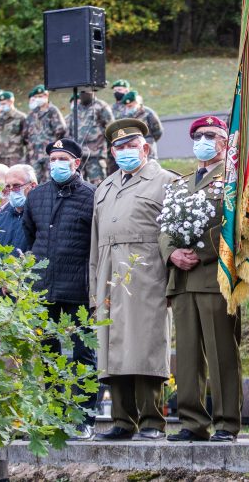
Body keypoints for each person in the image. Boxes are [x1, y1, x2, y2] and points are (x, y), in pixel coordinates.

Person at [90, 119, 178, 441]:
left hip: (147, 275)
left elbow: (175, 237)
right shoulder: (104, 187)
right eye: (119, 147)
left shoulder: (166, 181)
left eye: (131, 145)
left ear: (145, 147)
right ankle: (123, 421)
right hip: (108, 277)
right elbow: (94, 245)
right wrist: (93, 291)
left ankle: (153, 421)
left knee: (146, 346)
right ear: (112, 152)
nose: (125, 151)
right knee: (112, 349)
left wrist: (172, 284)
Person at [161, 116, 242, 443]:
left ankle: (226, 423)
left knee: (222, 353)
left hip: (213, 276)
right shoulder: (179, 184)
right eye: (198, 136)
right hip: (182, 280)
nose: (203, 141)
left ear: (225, 142)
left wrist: (202, 252)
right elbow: (164, 226)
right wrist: (172, 254)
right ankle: (192, 422)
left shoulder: (233, 181)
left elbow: (235, 226)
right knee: (189, 356)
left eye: (211, 135)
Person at [22, 137, 98, 440]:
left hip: (78, 288)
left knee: (83, 353)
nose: (56, 164)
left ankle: (84, 417)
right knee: (48, 354)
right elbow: (29, 238)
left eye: (63, 159)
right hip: (43, 289)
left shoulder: (92, 195)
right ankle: (53, 413)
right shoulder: (37, 196)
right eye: (52, 159)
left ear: (76, 163)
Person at [0, 164, 37, 257]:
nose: (12, 191)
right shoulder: (0, 218)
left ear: (32, 186)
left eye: (16, 186)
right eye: (8, 186)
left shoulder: (42, 216)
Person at [24, 84, 67, 183]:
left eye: (41, 96)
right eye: (36, 97)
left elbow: (61, 130)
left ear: (47, 96)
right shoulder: (32, 113)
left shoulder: (52, 111)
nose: (39, 99)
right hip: (34, 154)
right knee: (34, 181)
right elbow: (25, 134)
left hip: (49, 153)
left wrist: (52, 144)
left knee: (51, 179)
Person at [70, 88, 113, 185]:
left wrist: (108, 150)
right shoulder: (76, 108)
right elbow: (71, 130)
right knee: (78, 184)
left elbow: (111, 129)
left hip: (96, 154)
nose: (83, 94)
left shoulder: (101, 106)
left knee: (99, 184)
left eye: (86, 91)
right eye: (82, 92)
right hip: (78, 155)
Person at [116, 92, 164, 159]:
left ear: (137, 103)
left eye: (130, 106)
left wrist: (149, 141)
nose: (128, 108)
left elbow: (158, 131)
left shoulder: (148, 113)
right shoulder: (123, 116)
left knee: (150, 167)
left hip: (147, 149)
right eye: (126, 106)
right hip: (130, 151)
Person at [0, 90, 28, 166]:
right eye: (0, 104)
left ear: (11, 102)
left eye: (4, 104)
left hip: (14, 155)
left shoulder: (20, 117)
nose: (2, 106)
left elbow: (26, 137)